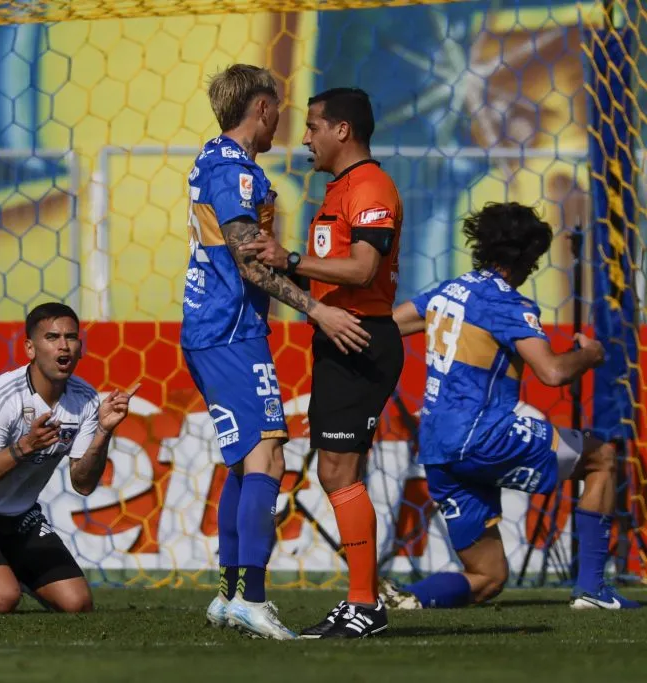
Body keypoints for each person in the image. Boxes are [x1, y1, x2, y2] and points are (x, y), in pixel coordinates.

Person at [181, 66, 371, 640]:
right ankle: (251, 597)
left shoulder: (217, 161)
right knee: (268, 458)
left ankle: (229, 595)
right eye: (282, 108)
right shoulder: (234, 171)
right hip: (230, 329)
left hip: (217, 327)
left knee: (247, 460)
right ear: (262, 107)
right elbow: (247, 259)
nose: (288, 123)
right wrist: (318, 309)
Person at [382, 202, 639, 611]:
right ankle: (592, 589)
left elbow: (392, 326)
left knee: (488, 578)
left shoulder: (447, 290)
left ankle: (409, 598)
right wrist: (591, 354)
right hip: (484, 437)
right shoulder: (508, 305)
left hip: (437, 447)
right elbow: (552, 372)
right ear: (530, 257)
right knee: (602, 459)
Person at [241, 87, 404, 638]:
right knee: (336, 470)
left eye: (312, 126)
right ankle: (361, 600)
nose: (305, 137)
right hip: (339, 339)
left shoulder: (371, 186)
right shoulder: (339, 190)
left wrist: (288, 257)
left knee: (339, 471)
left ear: (343, 131)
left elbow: (362, 270)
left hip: (361, 338)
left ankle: (365, 602)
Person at [0, 302, 138, 616]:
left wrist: (103, 430)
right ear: (30, 348)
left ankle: (7, 569)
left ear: (80, 349)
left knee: (78, 604)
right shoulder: (3, 395)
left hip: (20, 518)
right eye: (52, 337)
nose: (63, 345)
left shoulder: (86, 399)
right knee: (1, 600)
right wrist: (24, 447)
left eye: (71, 337)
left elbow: (83, 483)